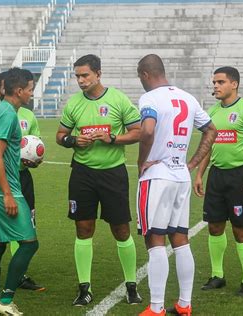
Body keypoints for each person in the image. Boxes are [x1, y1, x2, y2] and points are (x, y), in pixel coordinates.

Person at [56, 54, 142, 306]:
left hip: (113, 173)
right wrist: (73, 141)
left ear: (98, 74)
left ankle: (131, 286)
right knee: (83, 228)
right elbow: (61, 135)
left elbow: (138, 132)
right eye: (77, 76)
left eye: (85, 75)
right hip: (82, 174)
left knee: (121, 229)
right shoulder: (74, 104)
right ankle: (85, 289)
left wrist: (113, 138)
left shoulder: (118, 99)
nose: (81, 81)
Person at [136, 54, 217, 316]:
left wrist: (142, 160)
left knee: (155, 240)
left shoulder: (150, 98)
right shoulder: (187, 97)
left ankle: (157, 308)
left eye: (141, 78)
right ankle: (184, 304)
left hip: (157, 176)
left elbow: (147, 131)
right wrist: (191, 163)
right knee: (181, 240)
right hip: (180, 175)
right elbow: (211, 130)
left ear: (146, 74)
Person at [194, 66, 243, 296]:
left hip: (241, 176)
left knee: (240, 229)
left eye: (220, 82)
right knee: (215, 226)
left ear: (234, 84)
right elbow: (207, 147)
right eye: (214, 82)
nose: (215, 86)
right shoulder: (212, 112)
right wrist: (199, 174)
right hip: (217, 176)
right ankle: (217, 276)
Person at [0, 71, 45, 294]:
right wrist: (8, 194)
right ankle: (6, 299)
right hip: (5, 188)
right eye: (30, 89)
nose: (32, 93)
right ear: (19, 91)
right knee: (30, 243)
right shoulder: (8, 115)